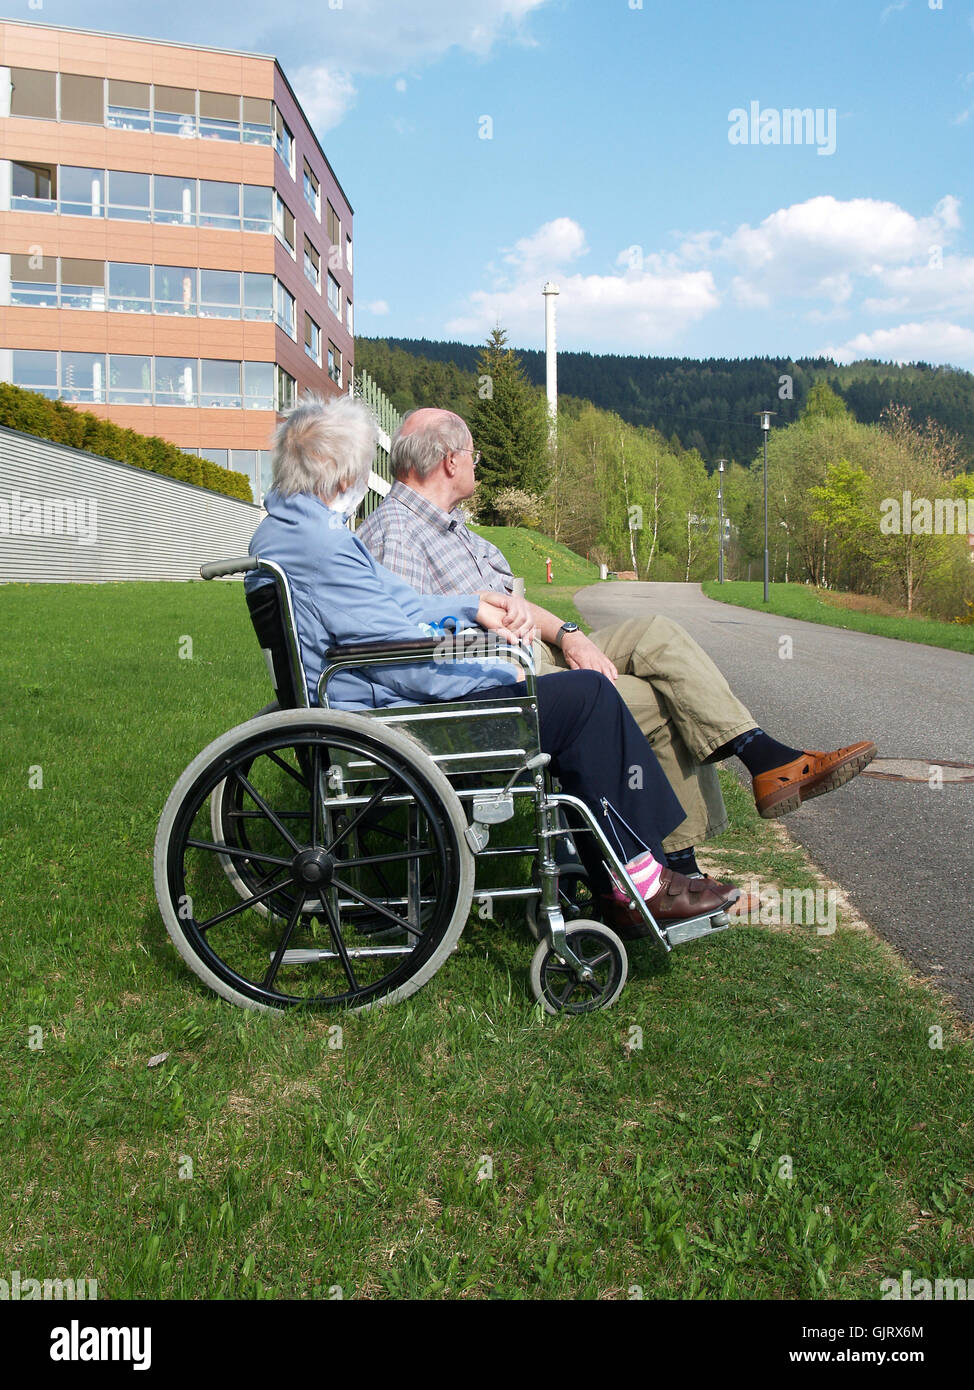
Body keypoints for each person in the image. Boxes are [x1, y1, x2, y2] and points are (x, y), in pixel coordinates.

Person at [245, 393, 741, 932]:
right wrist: (500, 667)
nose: (367, 480)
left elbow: (400, 605)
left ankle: (636, 875)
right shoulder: (325, 546)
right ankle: (637, 882)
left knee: (583, 695)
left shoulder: (295, 533)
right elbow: (402, 662)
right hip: (392, 715)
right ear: (342, 475)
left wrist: (470, 606)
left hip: (373, 698)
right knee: (589, 698)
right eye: (363, 470)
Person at [356, 407, 877, 861]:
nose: (476, 464)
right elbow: (407, 641)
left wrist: (572, 635)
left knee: (658, 633)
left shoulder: (452, 528)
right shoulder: (398, 530)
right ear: (450, 460)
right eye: (472, 454)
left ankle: (764, 757)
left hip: (531, 653)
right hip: (499, 679)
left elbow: (513, 604)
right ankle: (678, 867)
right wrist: (501, 649)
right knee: (659, 701)